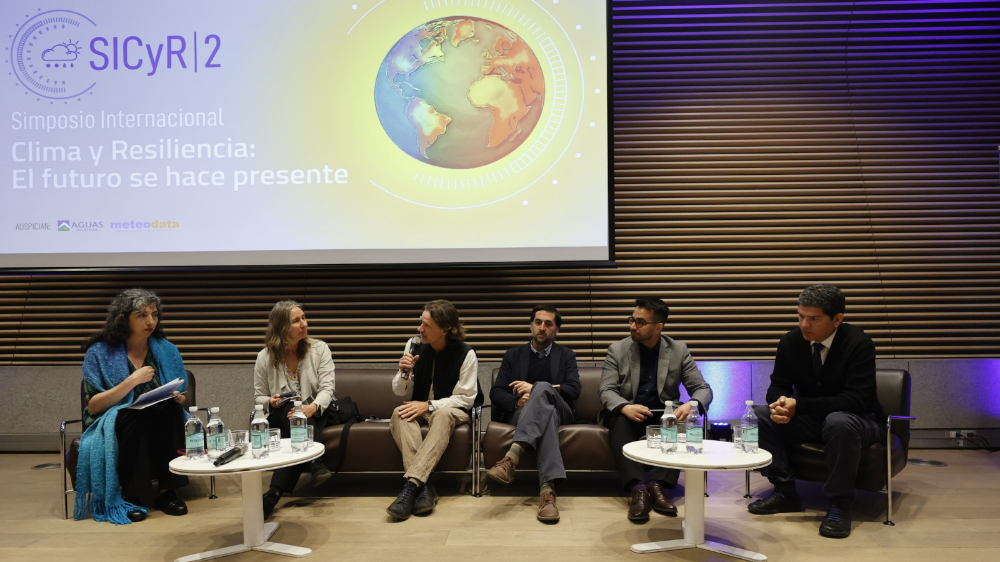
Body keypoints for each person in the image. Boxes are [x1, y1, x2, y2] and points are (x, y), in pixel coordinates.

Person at [747, 284, 884, 539]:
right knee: (758, 415)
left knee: (839, 422)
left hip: (859, 420)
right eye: (800, 316)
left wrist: (799, 406)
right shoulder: (790, 341)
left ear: (837, 319)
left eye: (814, 318)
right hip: (811, 419)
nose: (804, 324)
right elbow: (778, 384)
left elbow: (856, 399)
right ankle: (785, 492)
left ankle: (839, 505)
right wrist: (779, 405)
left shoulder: (859, 343)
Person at [75, 288, 190, 524]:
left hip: (159, 415)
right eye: (141, 315)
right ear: (123, 317)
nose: (150, 321)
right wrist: (131, 382)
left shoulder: (166, 349)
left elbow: (179, 389)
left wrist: (178, 397)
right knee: (135, 416)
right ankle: (134, 495)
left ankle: (168, 493)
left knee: (171, 409)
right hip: (118, 419)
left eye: (154, 314)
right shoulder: (99, 352)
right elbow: (94, 406)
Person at [599, 297, 713, 522]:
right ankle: (638, 489)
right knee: (620, 422)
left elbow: (702, 388)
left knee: (680, 422)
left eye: (640, 322)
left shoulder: (678, 350)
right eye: (632, 320)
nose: (633, 326)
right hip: (627, 412)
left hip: (664, 415)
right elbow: (606, 390)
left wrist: (693, 404)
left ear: (658, 327)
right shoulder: (618, 349)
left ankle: (658, 486)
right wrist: (625, 407)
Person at [387, 299, 484, 520]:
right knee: (398, 413)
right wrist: (404, 372)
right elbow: (400, 392)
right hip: (423, 406)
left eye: (426, 325)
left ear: (445, 329)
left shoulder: (466, 353)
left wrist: (430, 405)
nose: (420, 329)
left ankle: (410, 488)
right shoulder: (414, 345)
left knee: (441, 414)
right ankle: (424, 486)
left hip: (453, 409)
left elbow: (466, 398)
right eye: (420, 323)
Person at [486, 305, 581, 523]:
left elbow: (574, 389)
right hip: (525, 412)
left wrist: (539, 389)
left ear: (556, 330)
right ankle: (547, 493)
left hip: (562, 410)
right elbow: (496, 392)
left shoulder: (566, 355)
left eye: (549, 324)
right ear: (531, 326)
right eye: (538, 322)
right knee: (544, 413)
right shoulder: (513, 355)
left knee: (542, 387)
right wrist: (517, 400)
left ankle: (511, 457)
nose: (542, 327)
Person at [254, 300, 336, 519]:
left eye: (304, 318)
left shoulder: (319, 348)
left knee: (299, 416)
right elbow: (258, 397)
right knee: (293, 411)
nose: (304, 324)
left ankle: (274, 493)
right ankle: (316, 461)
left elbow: (327, 389)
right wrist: (271, 401)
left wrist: (313, 407)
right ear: (282, 327)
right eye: (296, 321)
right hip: (281, 414)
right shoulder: (265, 356)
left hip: (316, 411)